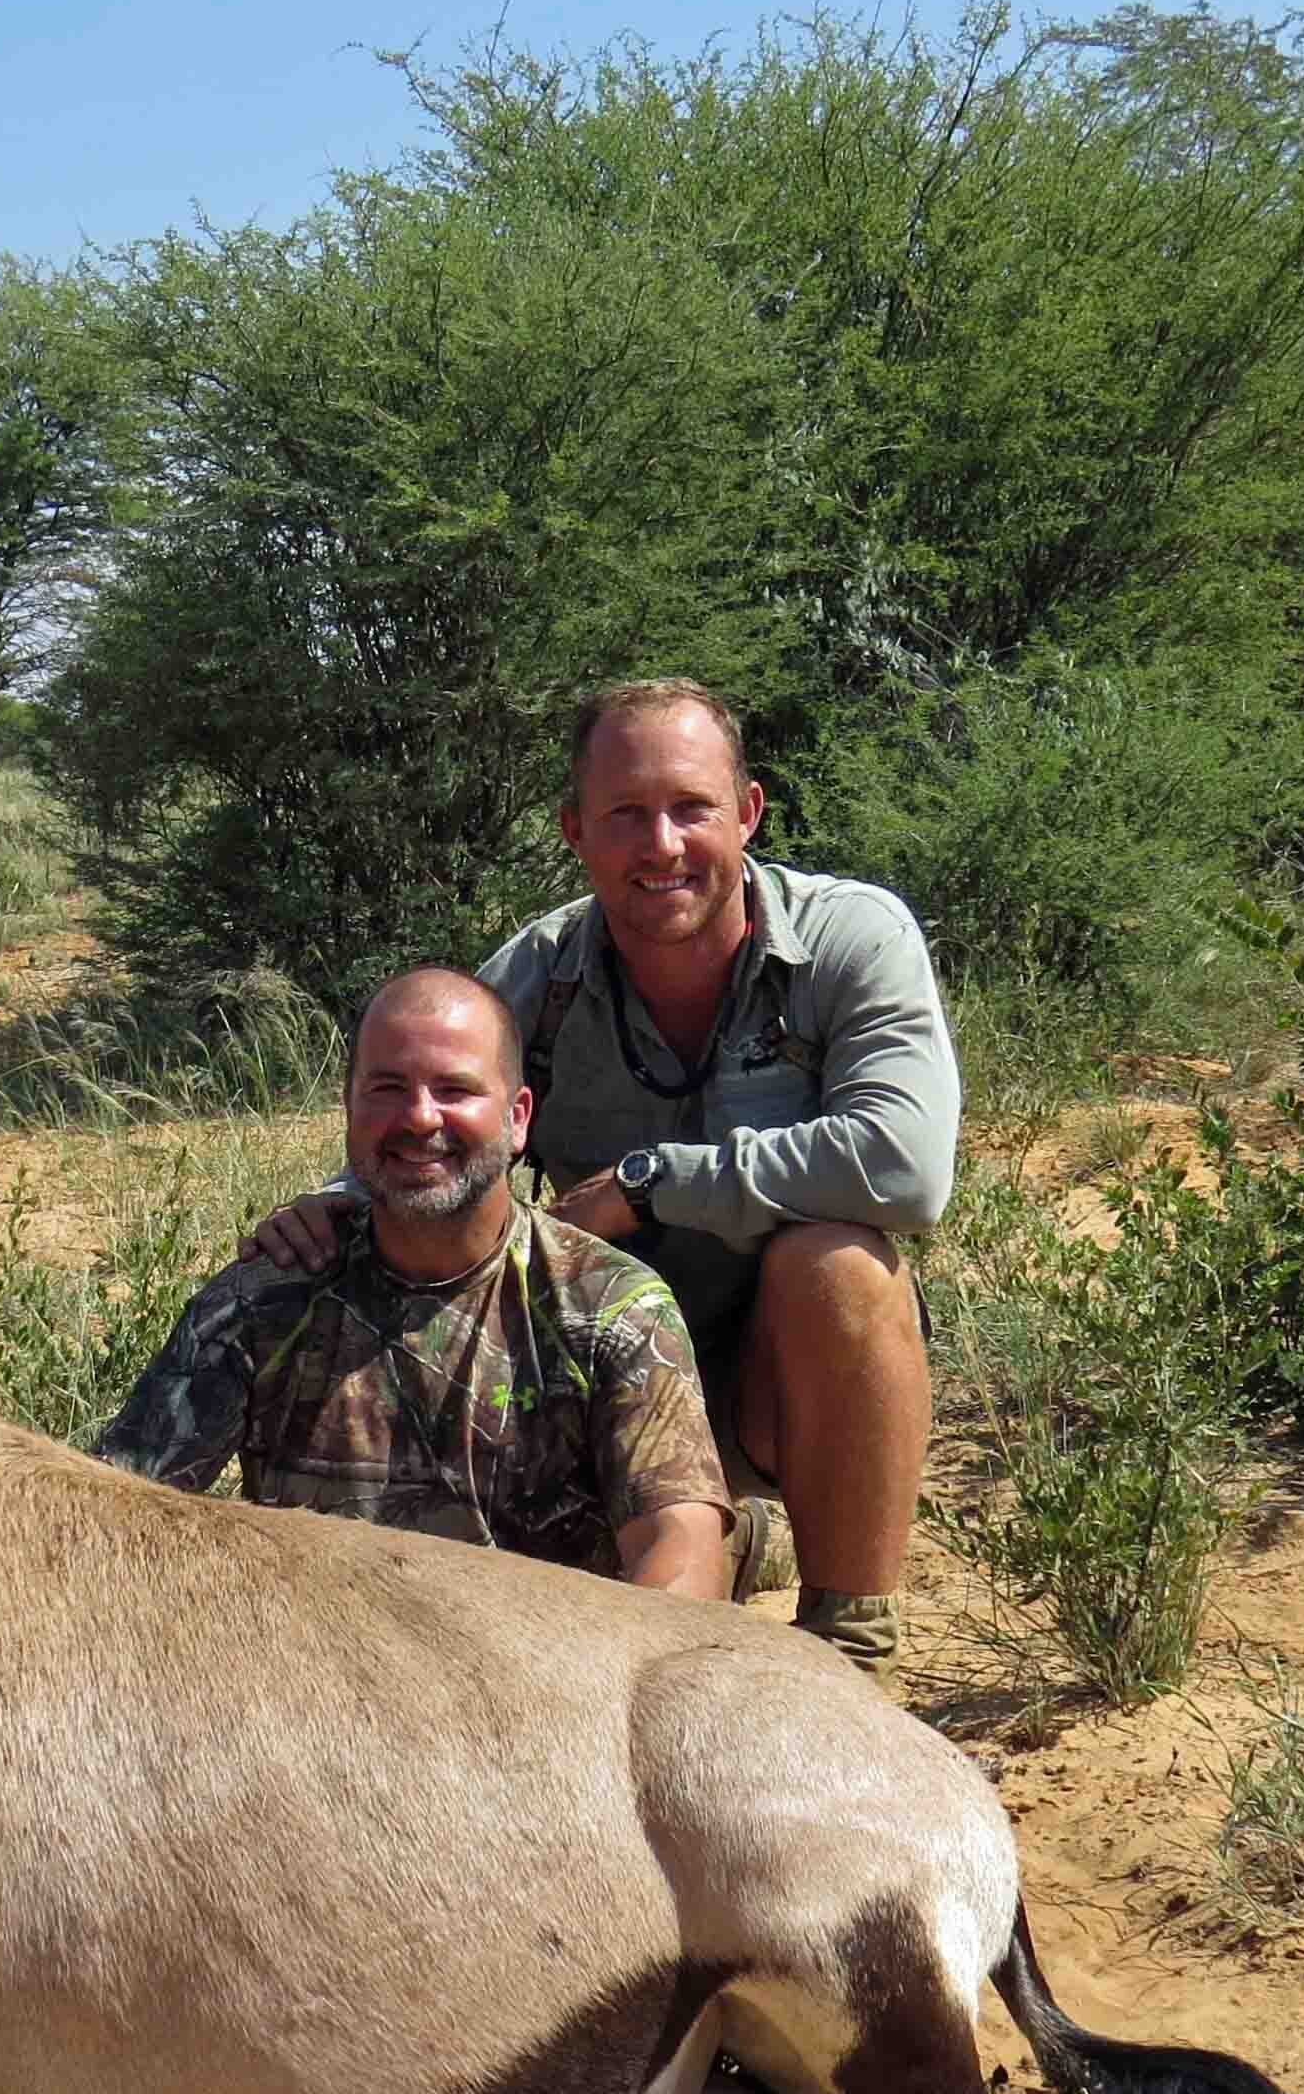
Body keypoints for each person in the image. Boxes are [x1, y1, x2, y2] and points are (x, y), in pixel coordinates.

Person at [247, 679, 957, 1673]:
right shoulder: (539, 968)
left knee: (838, 1264)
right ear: (574, 829)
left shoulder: (851, 938)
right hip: (610, 1384)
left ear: (746, 812)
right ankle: (703, 1535)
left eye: (690, 808)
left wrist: (649, 1180)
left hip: (780, 1378)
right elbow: (439, 1120)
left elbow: (905, 1167)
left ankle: (848, 1646)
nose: (659, 844)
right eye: (624, 814)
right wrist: (330, 1204)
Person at [92, 964, 735, 1597]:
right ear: (348, 1108)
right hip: (322, 1669)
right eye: (387, 1088)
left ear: (518, 1119)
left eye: (454, 1089)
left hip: (543, 1679)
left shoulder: (609, 1305)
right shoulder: (263, 1297)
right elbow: (117, 1516)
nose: (420, 1118)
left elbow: (679, 1548)